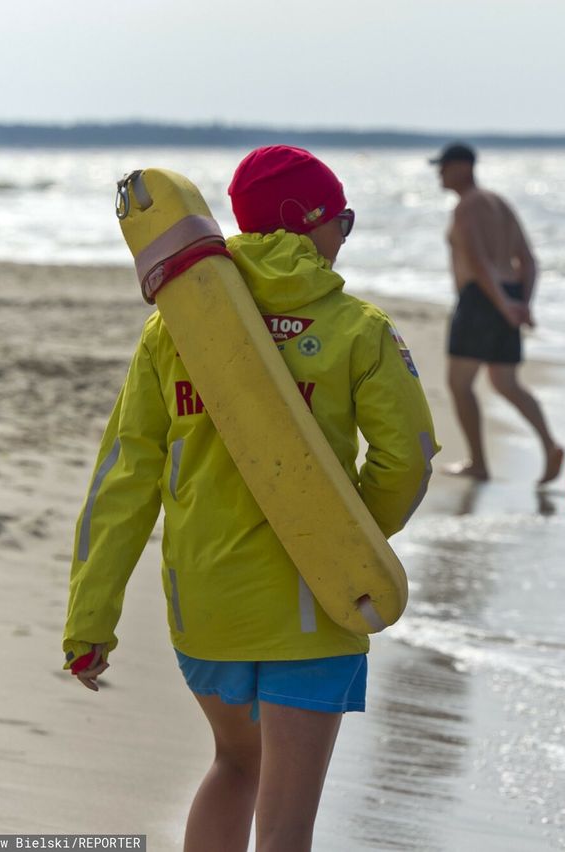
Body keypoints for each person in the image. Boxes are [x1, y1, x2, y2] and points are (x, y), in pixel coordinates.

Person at [62, 145, 438, 852]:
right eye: (343, 220)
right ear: (309, 223)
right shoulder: (359, 330)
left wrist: (90, 620)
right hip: (314, 604)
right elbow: (408, 460)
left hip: (205, 605)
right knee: (287, 827)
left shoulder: (170, 331)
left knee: (234, 764)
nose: (344, 238)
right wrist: (344, 536)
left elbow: (123, 479)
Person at [432, 141, 563, 483]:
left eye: (443, 167)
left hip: (480, 299)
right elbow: (529, 260)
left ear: (462, 167)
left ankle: (478, 463)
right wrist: (523, 304)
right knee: (505, 382)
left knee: (459, 384)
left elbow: (477, 260)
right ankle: (549, 445)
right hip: (509, 295)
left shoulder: (467, 207)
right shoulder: (500, 204)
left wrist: (503, 306)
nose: (439, 174)